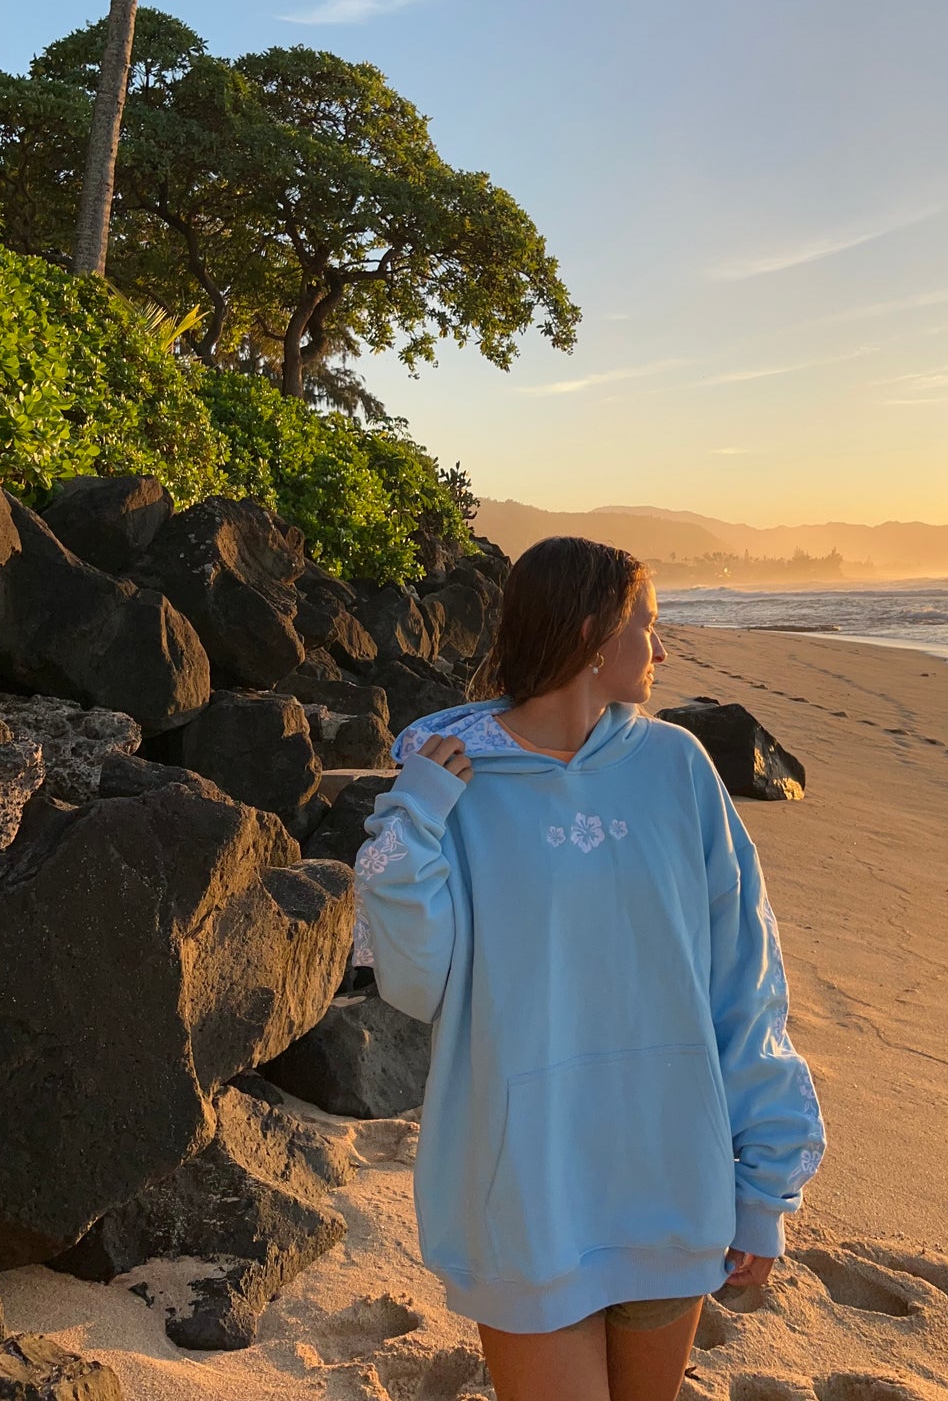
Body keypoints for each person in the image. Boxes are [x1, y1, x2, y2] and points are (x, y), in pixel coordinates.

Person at [354, 535, 825, 1401]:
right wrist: (412, 823)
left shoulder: (677, 766)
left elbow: (744, 981)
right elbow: (417, 984)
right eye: (648, 623)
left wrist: (763, 1181)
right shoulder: (453, 781)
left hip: (670, 1178)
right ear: (593, 634)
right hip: (527, 1192)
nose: (662, 645)